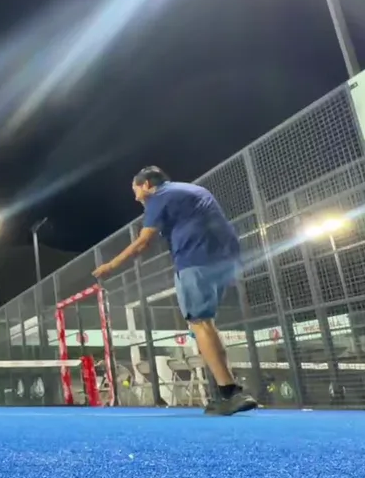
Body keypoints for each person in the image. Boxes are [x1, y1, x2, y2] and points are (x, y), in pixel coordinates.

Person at [93, 166, 257, 416]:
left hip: (195, 260)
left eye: (136, 190)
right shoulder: (193, 190)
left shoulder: (159, 197)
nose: (136, 197)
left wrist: (110, 266)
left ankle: (231, 392)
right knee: (207, 324)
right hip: (226, 259)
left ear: (147, 184)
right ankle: (227, 390)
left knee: (200, 324)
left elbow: (143, 242)